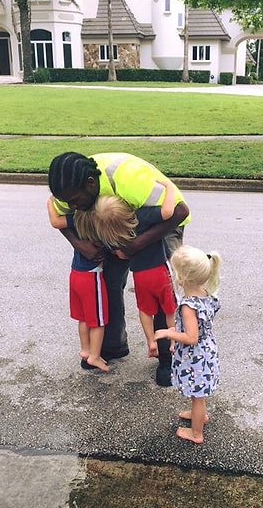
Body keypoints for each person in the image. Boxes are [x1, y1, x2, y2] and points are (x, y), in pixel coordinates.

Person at [47, 151, 189, 385]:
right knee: (109, 283)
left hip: (159, 219)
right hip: (109, 224)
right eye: (67, 201)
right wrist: (81, 245)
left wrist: (136, 245)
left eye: (74, 201)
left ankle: (167, 356)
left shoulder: (132, 181)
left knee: (161, 288)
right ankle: (113, 345)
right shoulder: (68, 188)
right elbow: (62, 218)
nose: (71, 205)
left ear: (91, 184)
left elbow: (179, 211)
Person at [74, 183, 178, 360]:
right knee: (169, 308)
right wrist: (169, 188)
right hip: (160, 272)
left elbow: (121, 255)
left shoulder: (113, 235)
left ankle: (151, 341)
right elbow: (168, 212)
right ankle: (172, 342)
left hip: (140, 276)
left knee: (145, 310)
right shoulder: (142, 217)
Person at [155, 245, 221, 444]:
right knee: (198, 392)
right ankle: (198, 415)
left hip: (196, 354)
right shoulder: (207, 293)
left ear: (181, 278)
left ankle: (196, 433)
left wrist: (169, 332)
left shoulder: (188, 306)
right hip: (206, 348)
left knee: (197, 395)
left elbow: (191, 337)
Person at [46, 197, 111, 372]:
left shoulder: (77, 219)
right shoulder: (99, 221)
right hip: (92, 276)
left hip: (76, 273)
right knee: (98, 321)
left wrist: (51, 201)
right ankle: (95, 356)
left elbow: (55, 221)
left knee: (83, 318)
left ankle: (85, 350)